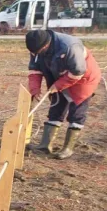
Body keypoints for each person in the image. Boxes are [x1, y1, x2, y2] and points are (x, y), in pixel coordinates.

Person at [26, 29, 101, 159]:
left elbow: (78, 72)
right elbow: (35, 70)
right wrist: (34, 88)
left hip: (82, 80)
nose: (35, 54)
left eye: (37, 52)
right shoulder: (36, 48)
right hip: (59, 77)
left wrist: (59, 85)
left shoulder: (69, 46)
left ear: (45, 46)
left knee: (76, 112)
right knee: (56, 108)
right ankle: (45, 145)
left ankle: (67, 148)